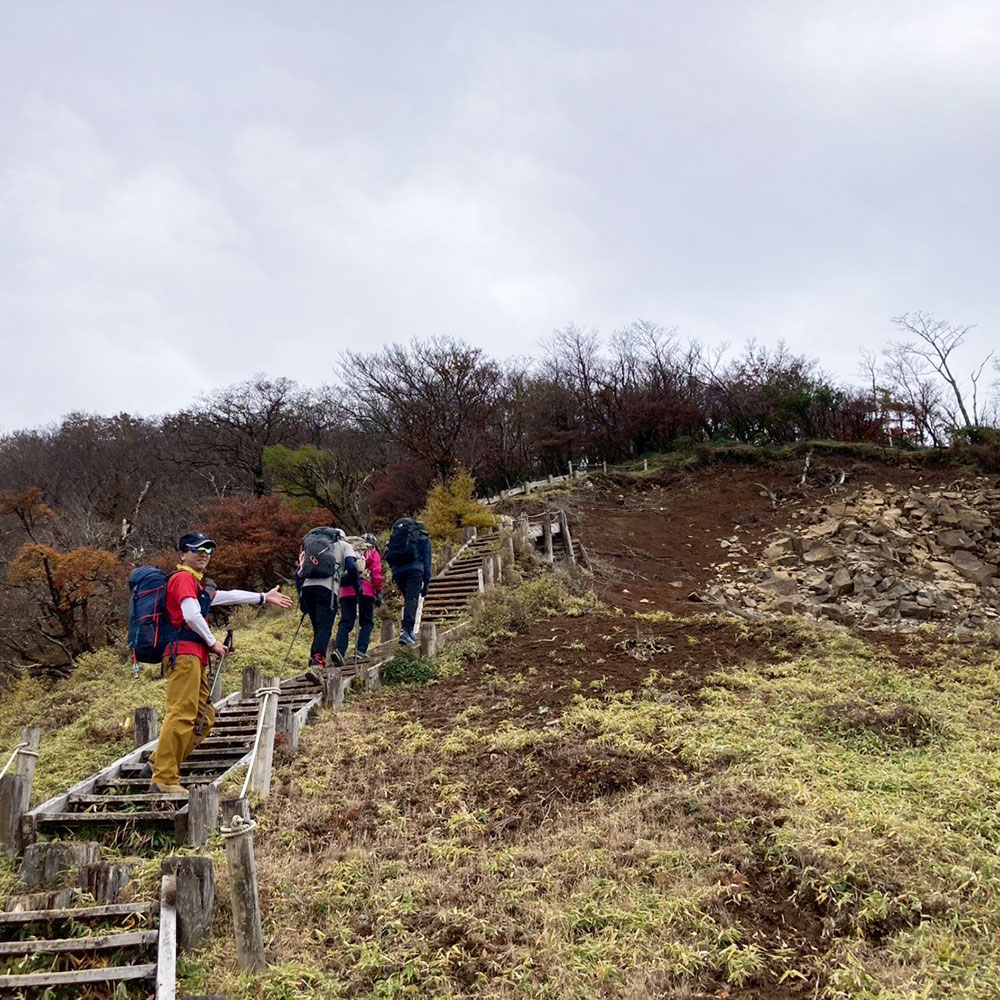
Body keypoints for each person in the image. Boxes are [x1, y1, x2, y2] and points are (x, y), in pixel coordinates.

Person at [150, 531, 292, 796]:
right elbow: (191, 615)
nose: (203, 555)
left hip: (193, 657)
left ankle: (160, 760)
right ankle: (165, 777)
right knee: (182, 713)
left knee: (204, 717)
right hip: (183, 655)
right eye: (197, 550)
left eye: (208, 551)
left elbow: (228, 595)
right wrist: (213, 642)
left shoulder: (196, 584)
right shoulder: (182, 579)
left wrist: (263, 597)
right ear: (183, 554)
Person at [296, 527, 359, 682]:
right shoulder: (344, 546)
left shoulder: (311, 547)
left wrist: (301, 599)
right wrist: (357, 586)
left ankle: (314, 660)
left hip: (307, 589)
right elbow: (351, 566)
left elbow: (298, 573)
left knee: (318, 628)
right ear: (342, 537)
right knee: (325, 627)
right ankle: (317, 662)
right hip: (328, 589)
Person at [334, 533, 383, 663]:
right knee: (366, 622)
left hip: (345, 591)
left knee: (345, 622)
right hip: (365, 590)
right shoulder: (371, 552)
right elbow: (376, 574)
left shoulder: (346, 548)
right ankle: (360, 651)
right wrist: (378, 592)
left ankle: (339, 650)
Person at [389, 519, 432, 646]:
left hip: (398, 572)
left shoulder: (401, 538)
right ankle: (406, 631)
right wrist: (426, 583)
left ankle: (409, 631)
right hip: (414, 571)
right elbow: (427, 563)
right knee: (412, 599)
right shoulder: (424, 540)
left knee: (408, 600)